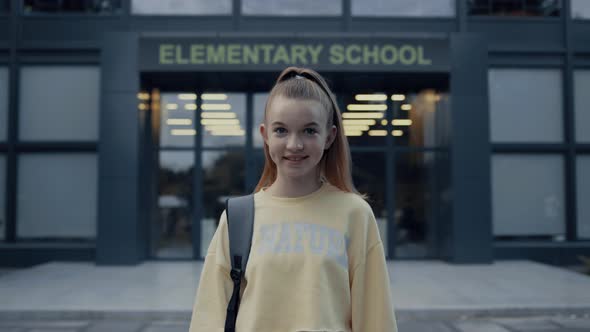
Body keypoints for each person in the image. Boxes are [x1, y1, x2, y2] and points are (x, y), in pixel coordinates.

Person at [189, 67, 398, 332]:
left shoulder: (355, 213)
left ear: (329, 136)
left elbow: (376, 320)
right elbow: (208, 318)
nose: (294, 145)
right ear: (265, 135)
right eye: (281, 131)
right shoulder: (239, 217)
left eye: (309, 131)